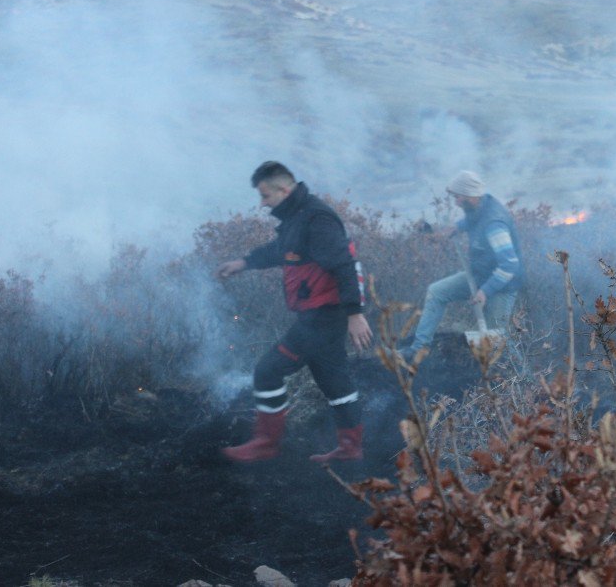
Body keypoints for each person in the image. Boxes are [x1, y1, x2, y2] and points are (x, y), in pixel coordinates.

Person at [217, 162, 373, 463]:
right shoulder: (297, 218)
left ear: (284, 190)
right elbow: (281, 250)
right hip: (320, 315)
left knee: (267, 370)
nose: (262, 204)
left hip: (323, 317)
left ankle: (266, 442)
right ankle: (351, 448)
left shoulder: (317, 219)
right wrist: (244, 262)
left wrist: (356, 314)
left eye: (265, 196)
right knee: (335, 382)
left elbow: (344, 266)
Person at [401, 170, 524, 359]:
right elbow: (467, 222)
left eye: (458, 197)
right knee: (437, 292)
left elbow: (509, 265)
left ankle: (522, 378)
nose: (456, 202)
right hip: (479, 275)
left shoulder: (494, 224)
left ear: (470, 195)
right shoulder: (478, 208)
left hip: (501, 286)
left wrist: (485, 291)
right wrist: (442, 233)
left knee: (494, 341)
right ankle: (418, 349)